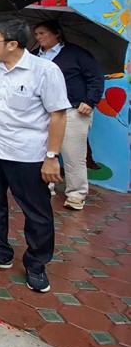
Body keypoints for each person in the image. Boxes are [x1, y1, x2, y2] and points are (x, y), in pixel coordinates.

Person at [0, 19, 69, 293]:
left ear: (12, 44)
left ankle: (36, 263)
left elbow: (57, 115)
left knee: (36, 211)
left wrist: (51, 156)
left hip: (25, 154)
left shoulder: (45, 71)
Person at [33, 21, 104, 211]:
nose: (38, 37)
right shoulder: (33, 57)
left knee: (73, 153)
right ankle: (46, 186)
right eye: (36, 34)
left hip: (72, 109)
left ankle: (76, 193)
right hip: (41, 111)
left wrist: (90, 100)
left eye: (42, 33)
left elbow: (95, 77)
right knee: (41, 151)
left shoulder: (76, 54)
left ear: (56, 34)